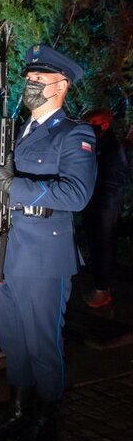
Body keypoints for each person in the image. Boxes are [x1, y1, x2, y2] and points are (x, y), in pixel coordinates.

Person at [0, 45, 97, 441]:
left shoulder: (74, 134)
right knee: (13, 341)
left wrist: (14, 187)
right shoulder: (14, 132)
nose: (30, 87)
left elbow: (76, 194)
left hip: (42, 257)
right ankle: (19, 412)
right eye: (28, 80)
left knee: (42, 344)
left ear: (61, 86)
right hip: (3, 253)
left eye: (39, 81)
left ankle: (44, 422)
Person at [80, 108, 128, 308]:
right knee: (96, 245)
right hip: (94, 203)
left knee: (103, 245)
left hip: (104, 206)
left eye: (93, 124)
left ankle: (102, 290)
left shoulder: (111, 147)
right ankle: (100, 286)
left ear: (105, 125)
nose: (89, 128)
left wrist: (103, 202)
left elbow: (116, 181)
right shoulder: (96, 143)